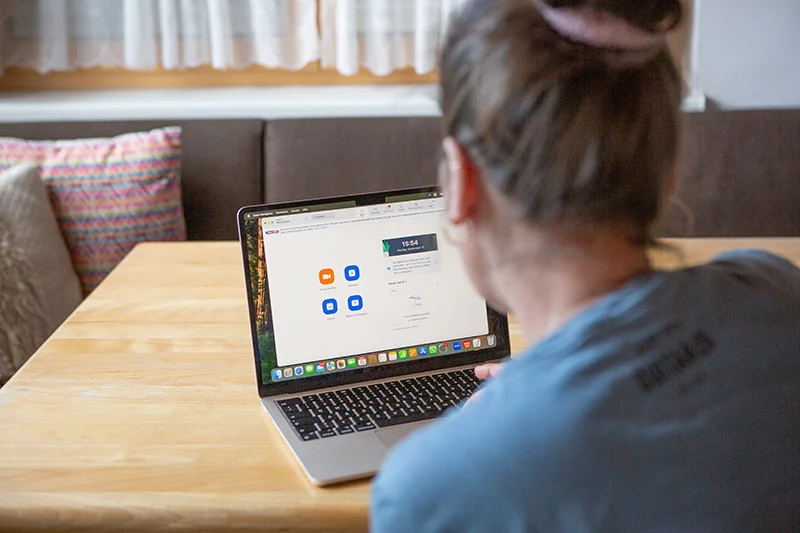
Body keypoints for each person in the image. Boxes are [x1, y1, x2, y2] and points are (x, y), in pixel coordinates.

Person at [370, 0, 800, 531]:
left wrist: (494, 432)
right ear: (668, 174)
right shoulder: (775, 288)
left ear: (462, 183)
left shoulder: (428, 491)